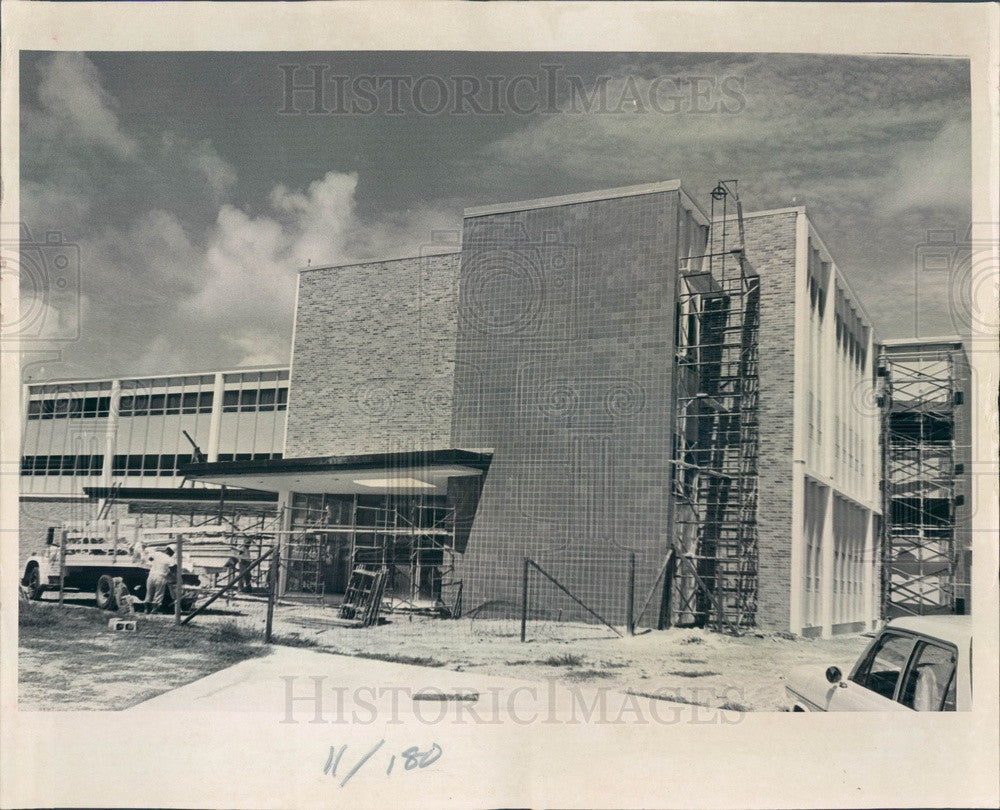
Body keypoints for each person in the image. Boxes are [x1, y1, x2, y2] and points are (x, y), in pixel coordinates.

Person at [144, 546, 174, 614]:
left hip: (151, 575)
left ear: (166, 550)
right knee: (158, 594)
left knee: (149, 593)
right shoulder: (170, 559)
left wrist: (156, 563)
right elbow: (172, 568)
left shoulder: (157, 554)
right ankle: (154, 610)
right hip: (160, 577)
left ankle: (146, 610)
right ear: (172, 553)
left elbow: (150, 558)